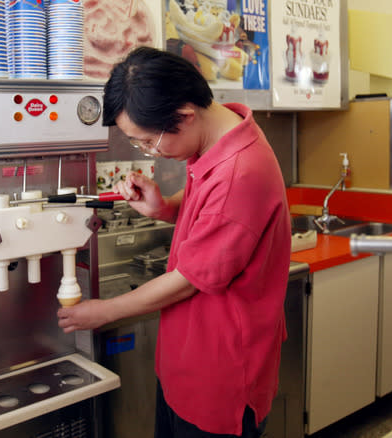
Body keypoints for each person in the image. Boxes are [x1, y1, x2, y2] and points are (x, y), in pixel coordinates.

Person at [57, 47, 291, 438]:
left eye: (148, 142)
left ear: (184, 115)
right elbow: (212, 208)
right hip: (190, 359)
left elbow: (188, 279)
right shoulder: (224, 135)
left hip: (221, 377)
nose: (149, 151)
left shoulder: (241, 171)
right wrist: (165, 207)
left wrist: (105, 312)